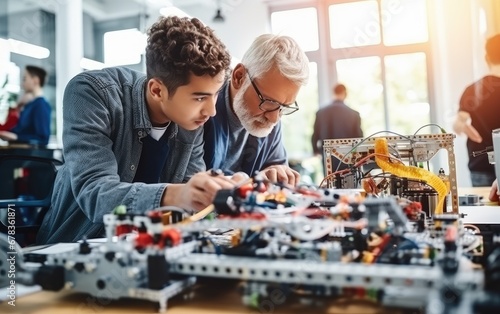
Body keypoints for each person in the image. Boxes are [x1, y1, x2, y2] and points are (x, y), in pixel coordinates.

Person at [36, 16, 237, 244]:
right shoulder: (91, 92)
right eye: (200, 97)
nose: (211, 111)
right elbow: (95, 194)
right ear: (157, 91)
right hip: (73, 247)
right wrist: (177, 194)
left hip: (148, 249)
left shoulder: (191, 121)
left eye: (216, 94)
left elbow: (191, 204)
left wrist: (218, 194)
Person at [203, 34, 309, 186]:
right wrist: (251, 183)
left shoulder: (272, 117)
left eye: (283, 107)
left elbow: (276, 174)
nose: (274, 118)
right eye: (269, 102)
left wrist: (276, 173)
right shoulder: (203, 110)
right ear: (239, 77)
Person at [453, 34, 500, 187]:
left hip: (481, 165)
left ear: (487, 58)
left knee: (486, 209)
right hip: (482, 166)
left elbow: (459, 123)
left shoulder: (473, 90)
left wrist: (463, 125)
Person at [311, 83, 363, 172]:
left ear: (333, 93)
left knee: (329, 181)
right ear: (345, 94)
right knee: (349, 182)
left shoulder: (321, 113)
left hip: (327, 157)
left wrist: (316, 151)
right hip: (348, 157)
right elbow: (359, 138)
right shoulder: (354, 114)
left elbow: (315, 135)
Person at [0, 66, 51, 145]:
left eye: (25, 79)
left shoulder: (41, 105)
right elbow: (19, 129)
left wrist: (17, 137)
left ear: (35, 80)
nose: (22, 83)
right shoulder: (28, 106)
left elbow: (43, 138)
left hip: (26, 154)